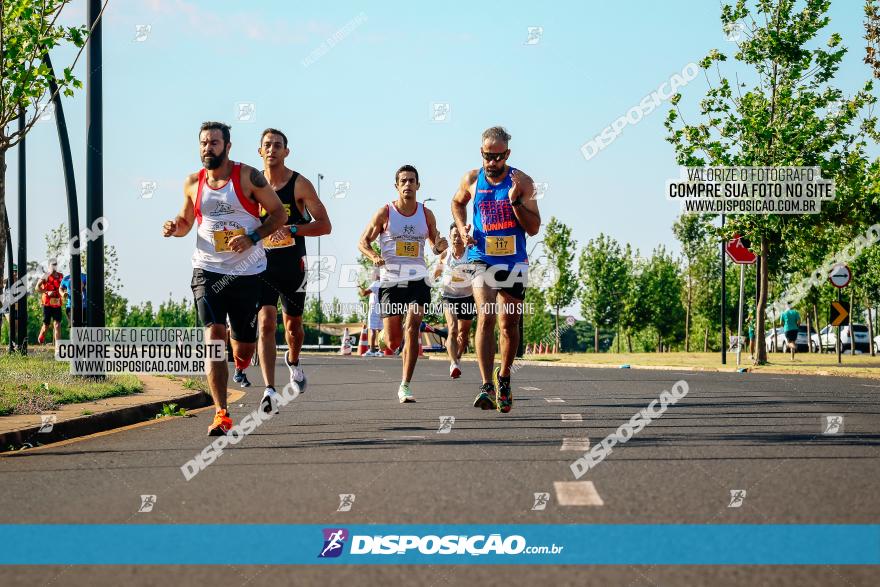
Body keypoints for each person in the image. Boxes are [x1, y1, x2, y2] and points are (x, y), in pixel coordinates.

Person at [163, 121, 286, 436]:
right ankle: (221, 413)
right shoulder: (193, 182)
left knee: (242, 349)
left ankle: (242, 364)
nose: (208, 148)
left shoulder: (248, 177)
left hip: (247, 273)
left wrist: (252, 236)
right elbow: (186, 221)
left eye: (214, 143)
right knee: (214, 337)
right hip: (207, 269)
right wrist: (175, 227)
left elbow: (278, 214)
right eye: (204, 142)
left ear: (227, 147)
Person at [451, 126, 541, 413]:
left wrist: (515, 202)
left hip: (513, 261)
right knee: (486, 313)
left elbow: (534, 227)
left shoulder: (523, 181)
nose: (492, 162)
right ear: (481, 153)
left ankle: (504, 378)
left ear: (507, 154)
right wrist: (464, 228)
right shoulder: (471, 179)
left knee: (509, 325)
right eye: (488, 156)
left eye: (498, 156)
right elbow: (456, 202)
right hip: (481, 257)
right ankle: (486, 385)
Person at [254, 128, 331, 415]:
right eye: (267, 145)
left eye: (277, 145)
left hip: (292, 266)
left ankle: (294, 361)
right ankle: (269, 390)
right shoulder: (251, 186)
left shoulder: (300, 185)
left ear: (287, 151)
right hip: (261, 266)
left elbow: (325, 225)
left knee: (293, 329)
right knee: (265, 323)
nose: (272, 150)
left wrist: (294, 228)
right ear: (259, 152)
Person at [358, 165, 447, 402]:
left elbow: (434, 244)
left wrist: (441, 246)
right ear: (396, 186)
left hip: (418, 279)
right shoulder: (385, 213)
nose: (408, 185)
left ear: (418, 185)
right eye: (403, 181)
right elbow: (362, 242)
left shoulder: (426, 214)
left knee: (413, 325)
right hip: (390, 282)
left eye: (412, 181)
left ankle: (405, 385)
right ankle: (389, 339)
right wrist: (374, 256)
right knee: (393, 341)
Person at [433, 222, 476, 378]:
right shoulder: (446, 254)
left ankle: (457, 357)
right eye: (454, 236)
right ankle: (453, 364)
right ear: (450, 238)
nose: (457, 239)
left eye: (459, 235)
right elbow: (436, 273)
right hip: (449, 296)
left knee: (463, 334)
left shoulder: (471, 252)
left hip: (467, 297)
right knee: (452, 328)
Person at [37, 259, 64, 346]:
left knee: (57, 325)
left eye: (55, 264)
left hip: (57, 303)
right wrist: (46, 292)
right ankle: (41, 338)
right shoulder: (45, 276)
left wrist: (64, 292)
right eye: (52, 265)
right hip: (47, 303)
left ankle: (58, 347)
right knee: (46, 325)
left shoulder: (61, 276)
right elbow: (37, 288)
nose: (54, 266)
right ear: (49, 266)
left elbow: (63, 287)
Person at [358, 267, 384, 356]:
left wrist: (359, 287)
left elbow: (364, 293)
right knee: (381, 330)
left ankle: (372, 350)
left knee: (372, 329)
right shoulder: (384, 283)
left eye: (373, 273)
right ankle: (381, 351)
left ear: (377, 275)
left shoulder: (375, 283)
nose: (371, 275)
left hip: (374, 308)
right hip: (382, 307)